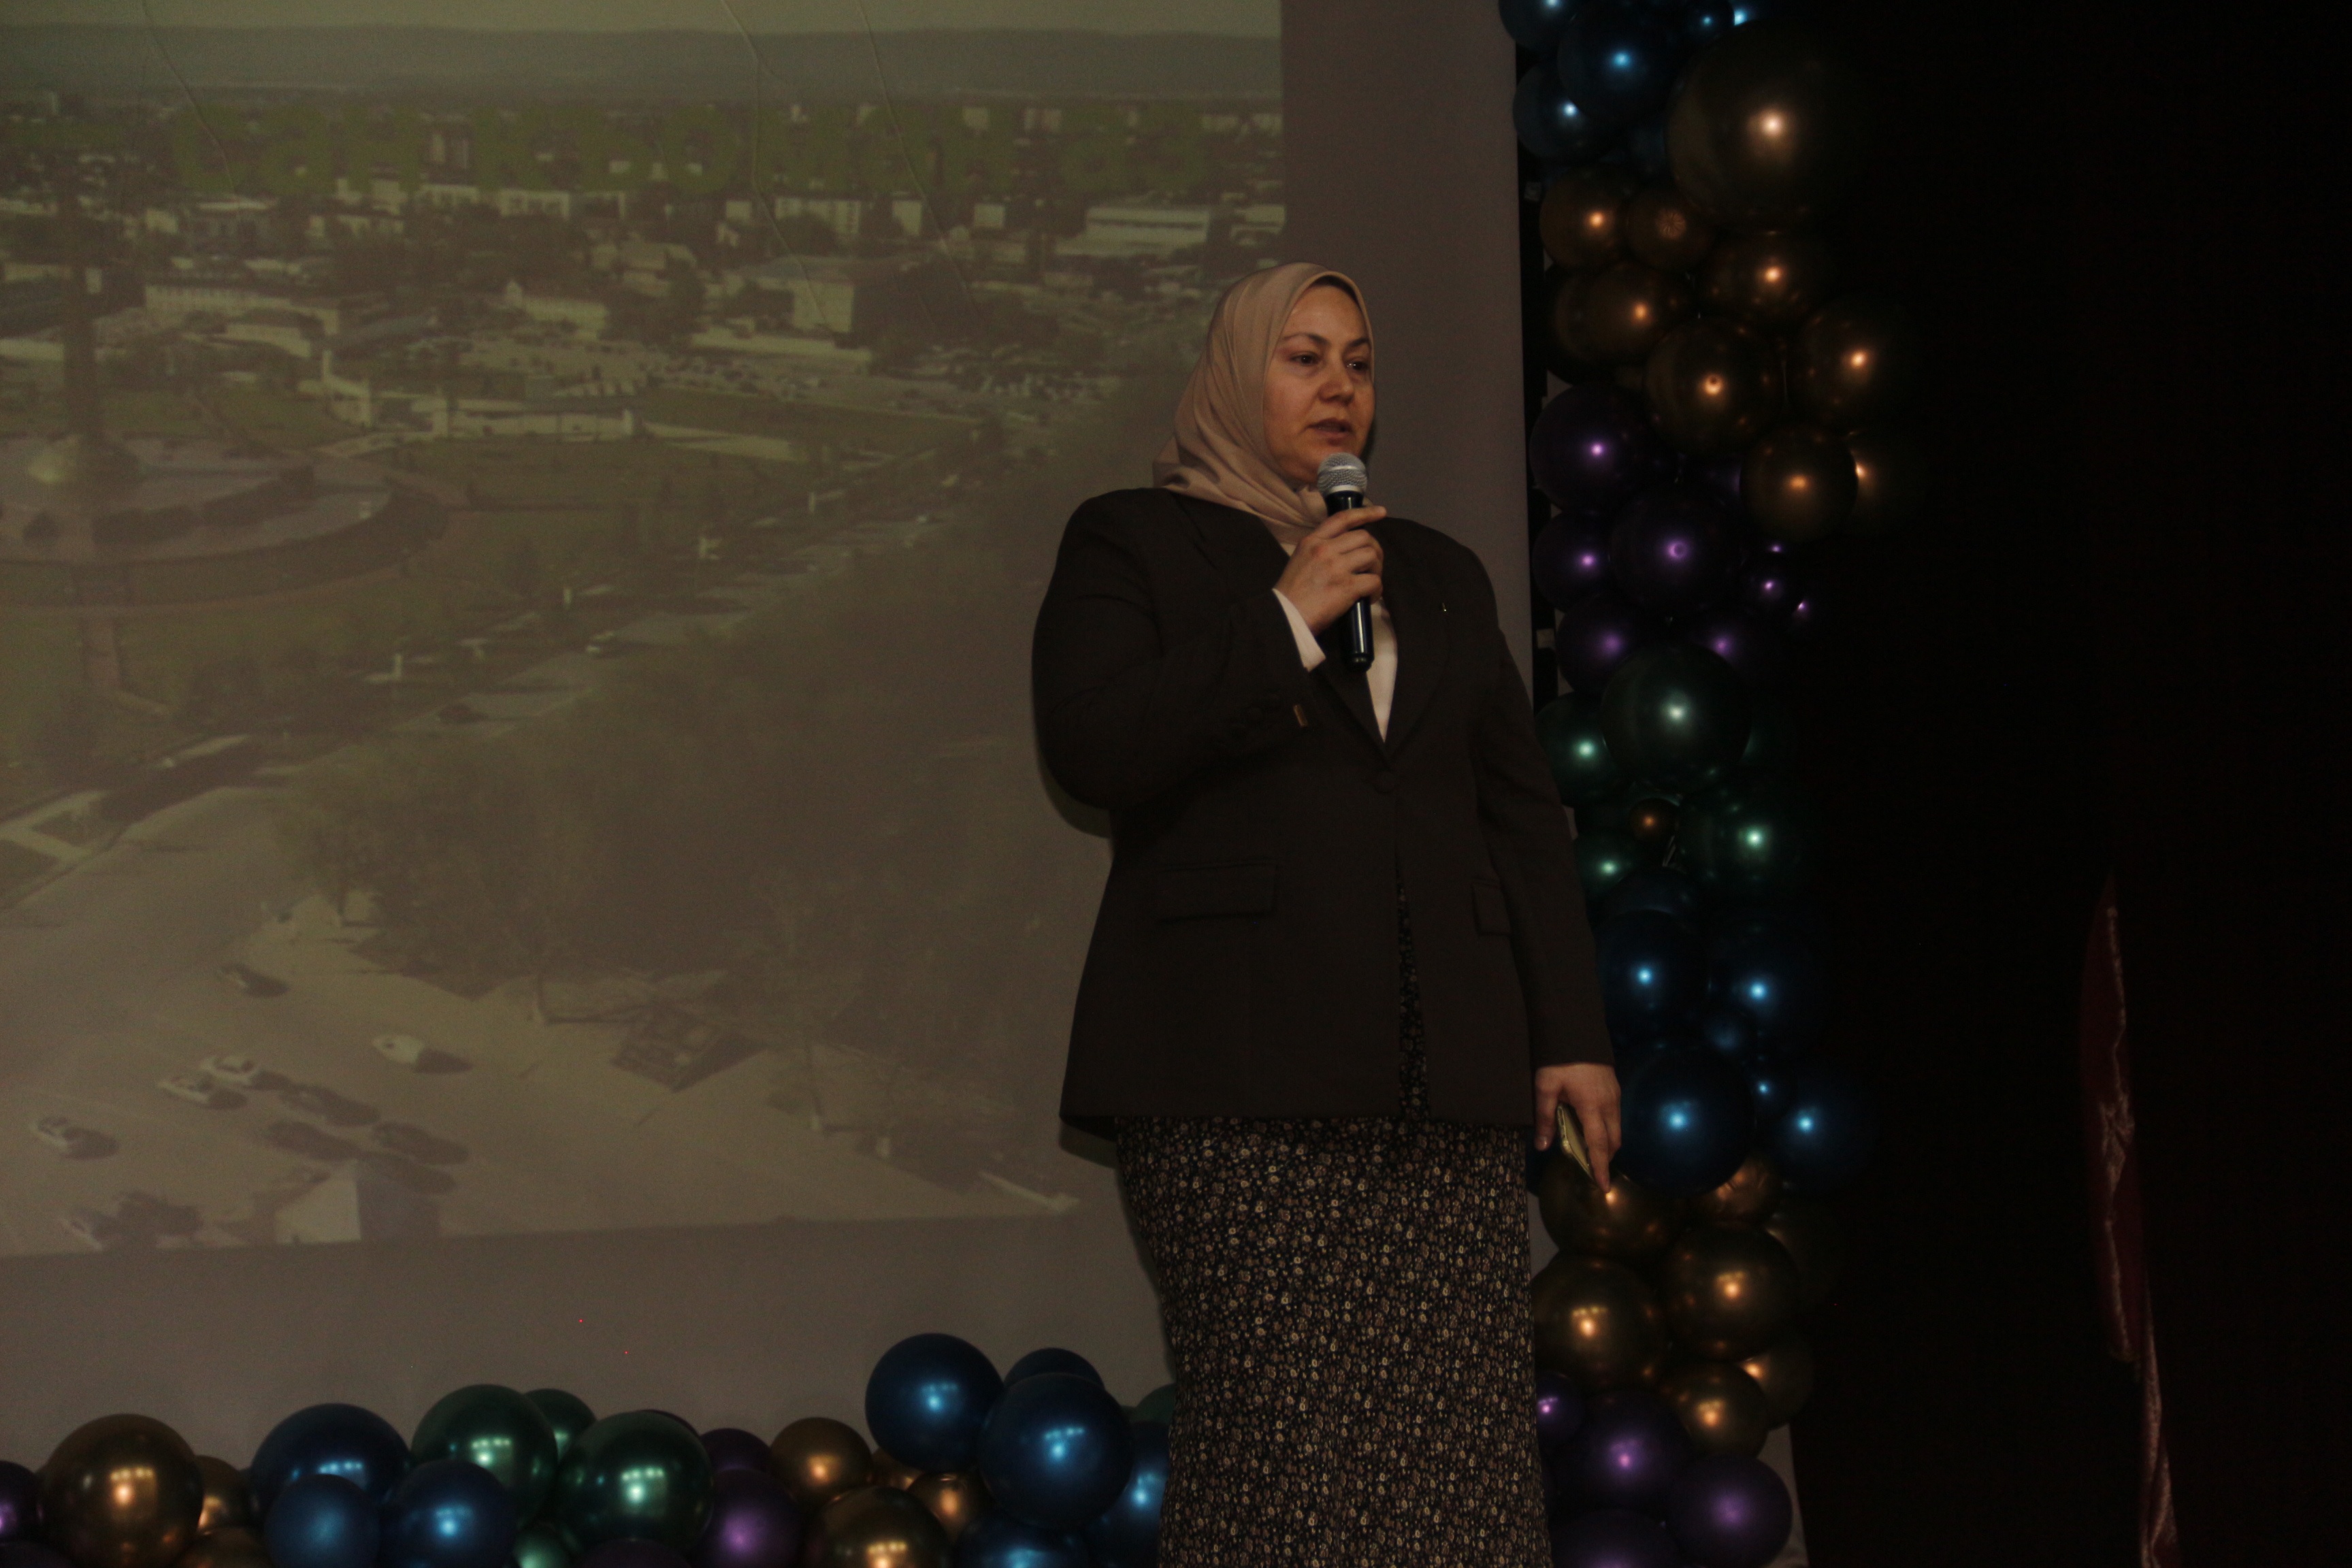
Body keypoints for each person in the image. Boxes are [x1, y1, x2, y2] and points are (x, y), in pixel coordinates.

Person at [1030, 262, 1619, 1563]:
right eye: (1303, 357)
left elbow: (1520, 816)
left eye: (1357, 361)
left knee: (1462, 1474)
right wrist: (1285, 622)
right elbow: (1093, 745)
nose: (1338, 385)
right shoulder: (1135, 540)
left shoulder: (1440, 572)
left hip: (1442, 1091)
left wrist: (1570, 1034)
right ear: (1236, 374)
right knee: (1288, 1466)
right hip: (1236, 1090)